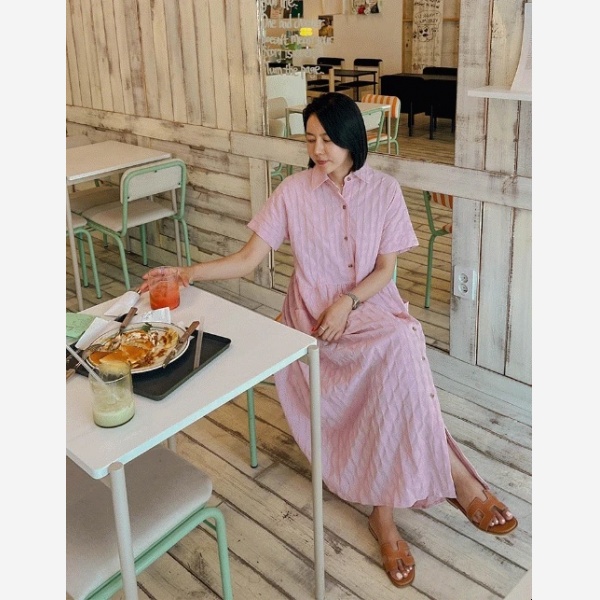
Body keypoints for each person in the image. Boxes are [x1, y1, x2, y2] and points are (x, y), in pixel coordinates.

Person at [141, 92, 518, 588]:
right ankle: (454, 481)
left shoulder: (384, 191)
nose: (318, 150)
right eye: (310, 140)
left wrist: (348, 302)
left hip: (366, 306)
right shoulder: (292, 192)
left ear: (351, 138)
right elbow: (248, 259)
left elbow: (385, 270)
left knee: (401, 341)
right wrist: (187, 273)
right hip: (312, 319)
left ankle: (387, 512)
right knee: (399, 358)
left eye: (328, 139)